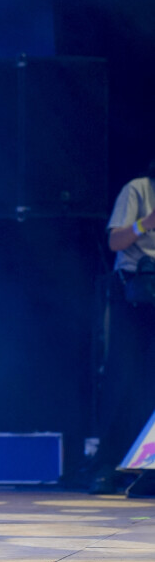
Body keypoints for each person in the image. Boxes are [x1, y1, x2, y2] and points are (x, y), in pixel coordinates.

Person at [91, 161, 155, 496]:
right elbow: (116, 241)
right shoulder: (138, 189)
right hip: (135, 292)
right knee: (125, 376)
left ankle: (147, 466)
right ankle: (109, 464)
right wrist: (146, 223)